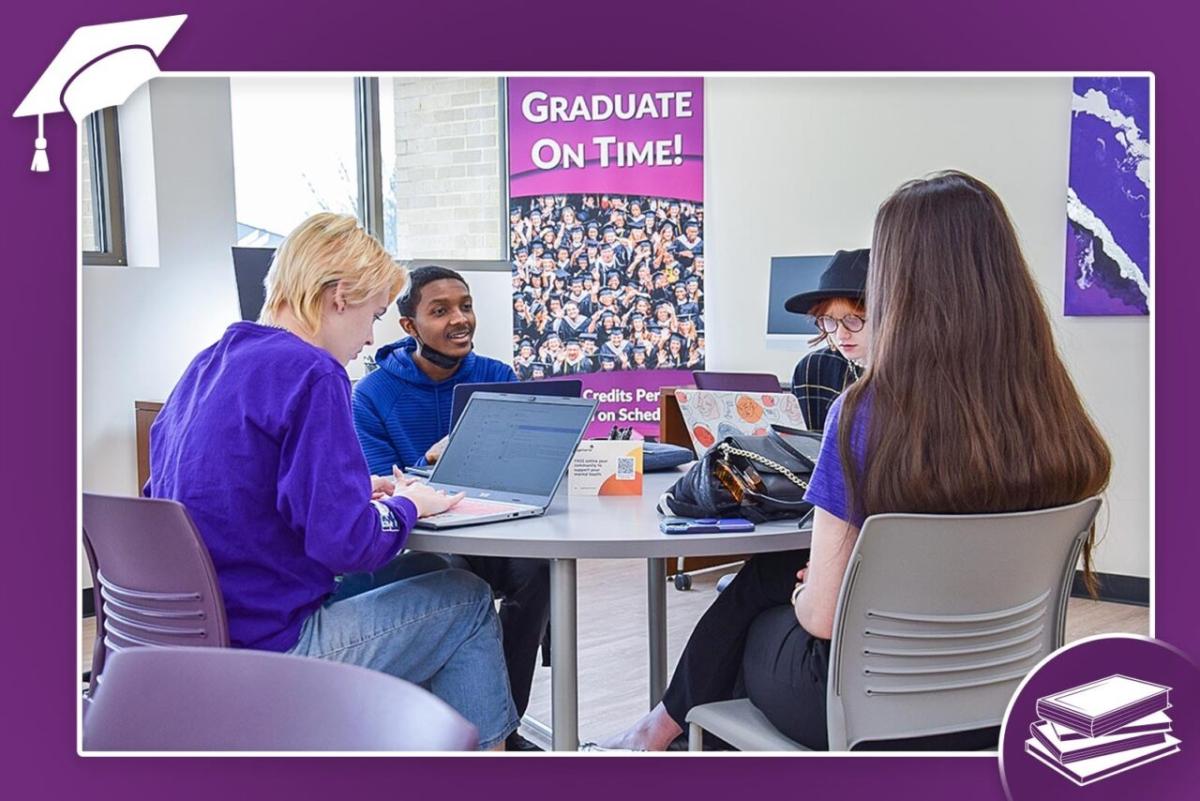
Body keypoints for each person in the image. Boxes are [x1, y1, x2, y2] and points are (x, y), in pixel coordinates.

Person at [593, 170, 1112, 751]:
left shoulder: (866, 412)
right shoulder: (1053, 411)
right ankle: (660, 735)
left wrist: (804, 592)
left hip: (866, 705)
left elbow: (820, 620)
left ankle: (656, 737)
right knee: (766, 587)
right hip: (1007, 696)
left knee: (756, 618)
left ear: (899, 285)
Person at [147, 213, 517, 750]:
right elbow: (347, 546)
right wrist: (410, 504)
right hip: (270, 650)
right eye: (373, 316)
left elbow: (216, 488)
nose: (370, 338)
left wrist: (351, 490)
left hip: (195, 640)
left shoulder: (211, 361)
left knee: (431, 569)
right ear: (339, 296)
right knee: (466, 599)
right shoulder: (314, 372)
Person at [352, 265, 550, 752]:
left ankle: (503, 723)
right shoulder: (372, 394)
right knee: (451, 575)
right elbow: (383, 487)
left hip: (492, 528)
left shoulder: (497, 376)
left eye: (465, 306)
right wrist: (434, 459)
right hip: (423, 539)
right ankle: (451, 730)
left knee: (538, 571)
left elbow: (519, 464)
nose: (459, 319)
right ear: (409, 326)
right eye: (440, 311)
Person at [785, 248, 870, 431]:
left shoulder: (911, 376)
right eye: (829, 320)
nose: (841, 334)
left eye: (853, 319)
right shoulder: (813, 368)